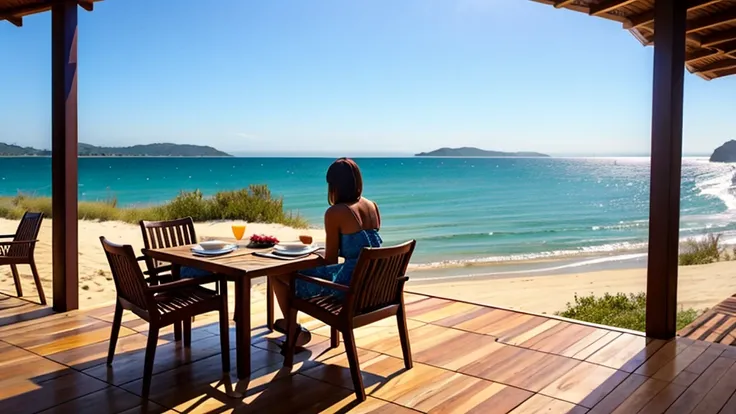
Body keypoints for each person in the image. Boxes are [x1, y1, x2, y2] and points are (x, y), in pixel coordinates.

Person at [270, 158, 382, 348]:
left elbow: (330, 260)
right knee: (293, 275)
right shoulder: (372, 206)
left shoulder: (336, 212)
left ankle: (293, 330)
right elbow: (362, 247)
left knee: (277, 274)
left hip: (346, 290)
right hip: (372, 286)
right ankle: (290, 326)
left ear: (334, 185)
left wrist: (311, 254)